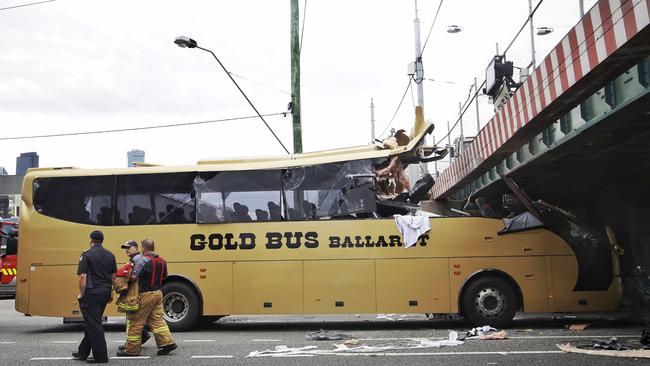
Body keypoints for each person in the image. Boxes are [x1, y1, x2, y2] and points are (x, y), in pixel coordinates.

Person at [118, 239, 177, 357]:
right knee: (157, 320)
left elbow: (134, 277)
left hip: (145, 295)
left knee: (136, 321)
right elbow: (165, 276)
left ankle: (131, 350)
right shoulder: (162, 261)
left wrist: (126, 273)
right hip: (158, 293)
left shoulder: (143, 261)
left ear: (143, 249)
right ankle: (168, 343)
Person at [72, 230, 117, 364]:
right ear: (102, 240)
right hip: (104, 293)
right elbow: (113, 277)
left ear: (91, 240)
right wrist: (111, 292)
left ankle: (101, 357)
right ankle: (83, 352)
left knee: (94, 324)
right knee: (91, 323)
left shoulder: (86, 255)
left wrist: (82, 293)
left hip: (91, 294)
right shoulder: (110, 255)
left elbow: (82, 277)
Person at [117, 240, 151, 351]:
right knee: (135, 317)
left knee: (131, 318)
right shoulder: (135, 258)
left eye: (128, 247)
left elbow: (134, 277)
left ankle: (131, 343)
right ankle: (143, 335)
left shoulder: (136, 259)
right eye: (125, 247)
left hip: (135, 292)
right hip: (138, 292)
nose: (126, 249)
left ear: (135, 248)